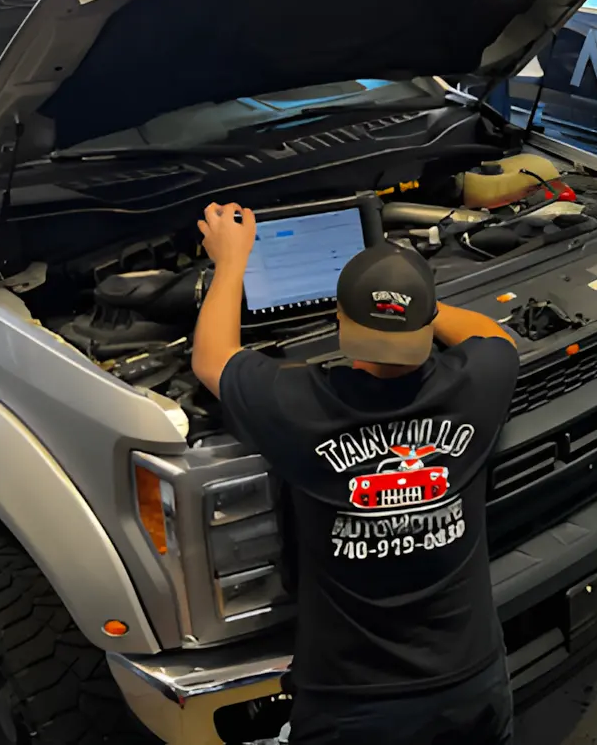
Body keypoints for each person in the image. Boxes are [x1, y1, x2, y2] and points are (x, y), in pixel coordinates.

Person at [190, 202, 519, 745]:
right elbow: (494, 337)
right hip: (470, 681)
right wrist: (417, 309)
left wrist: (232, 261)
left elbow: (212, 358)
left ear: (340, 322)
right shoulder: (481, 384)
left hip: (353, 703)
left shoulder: (300, 406)